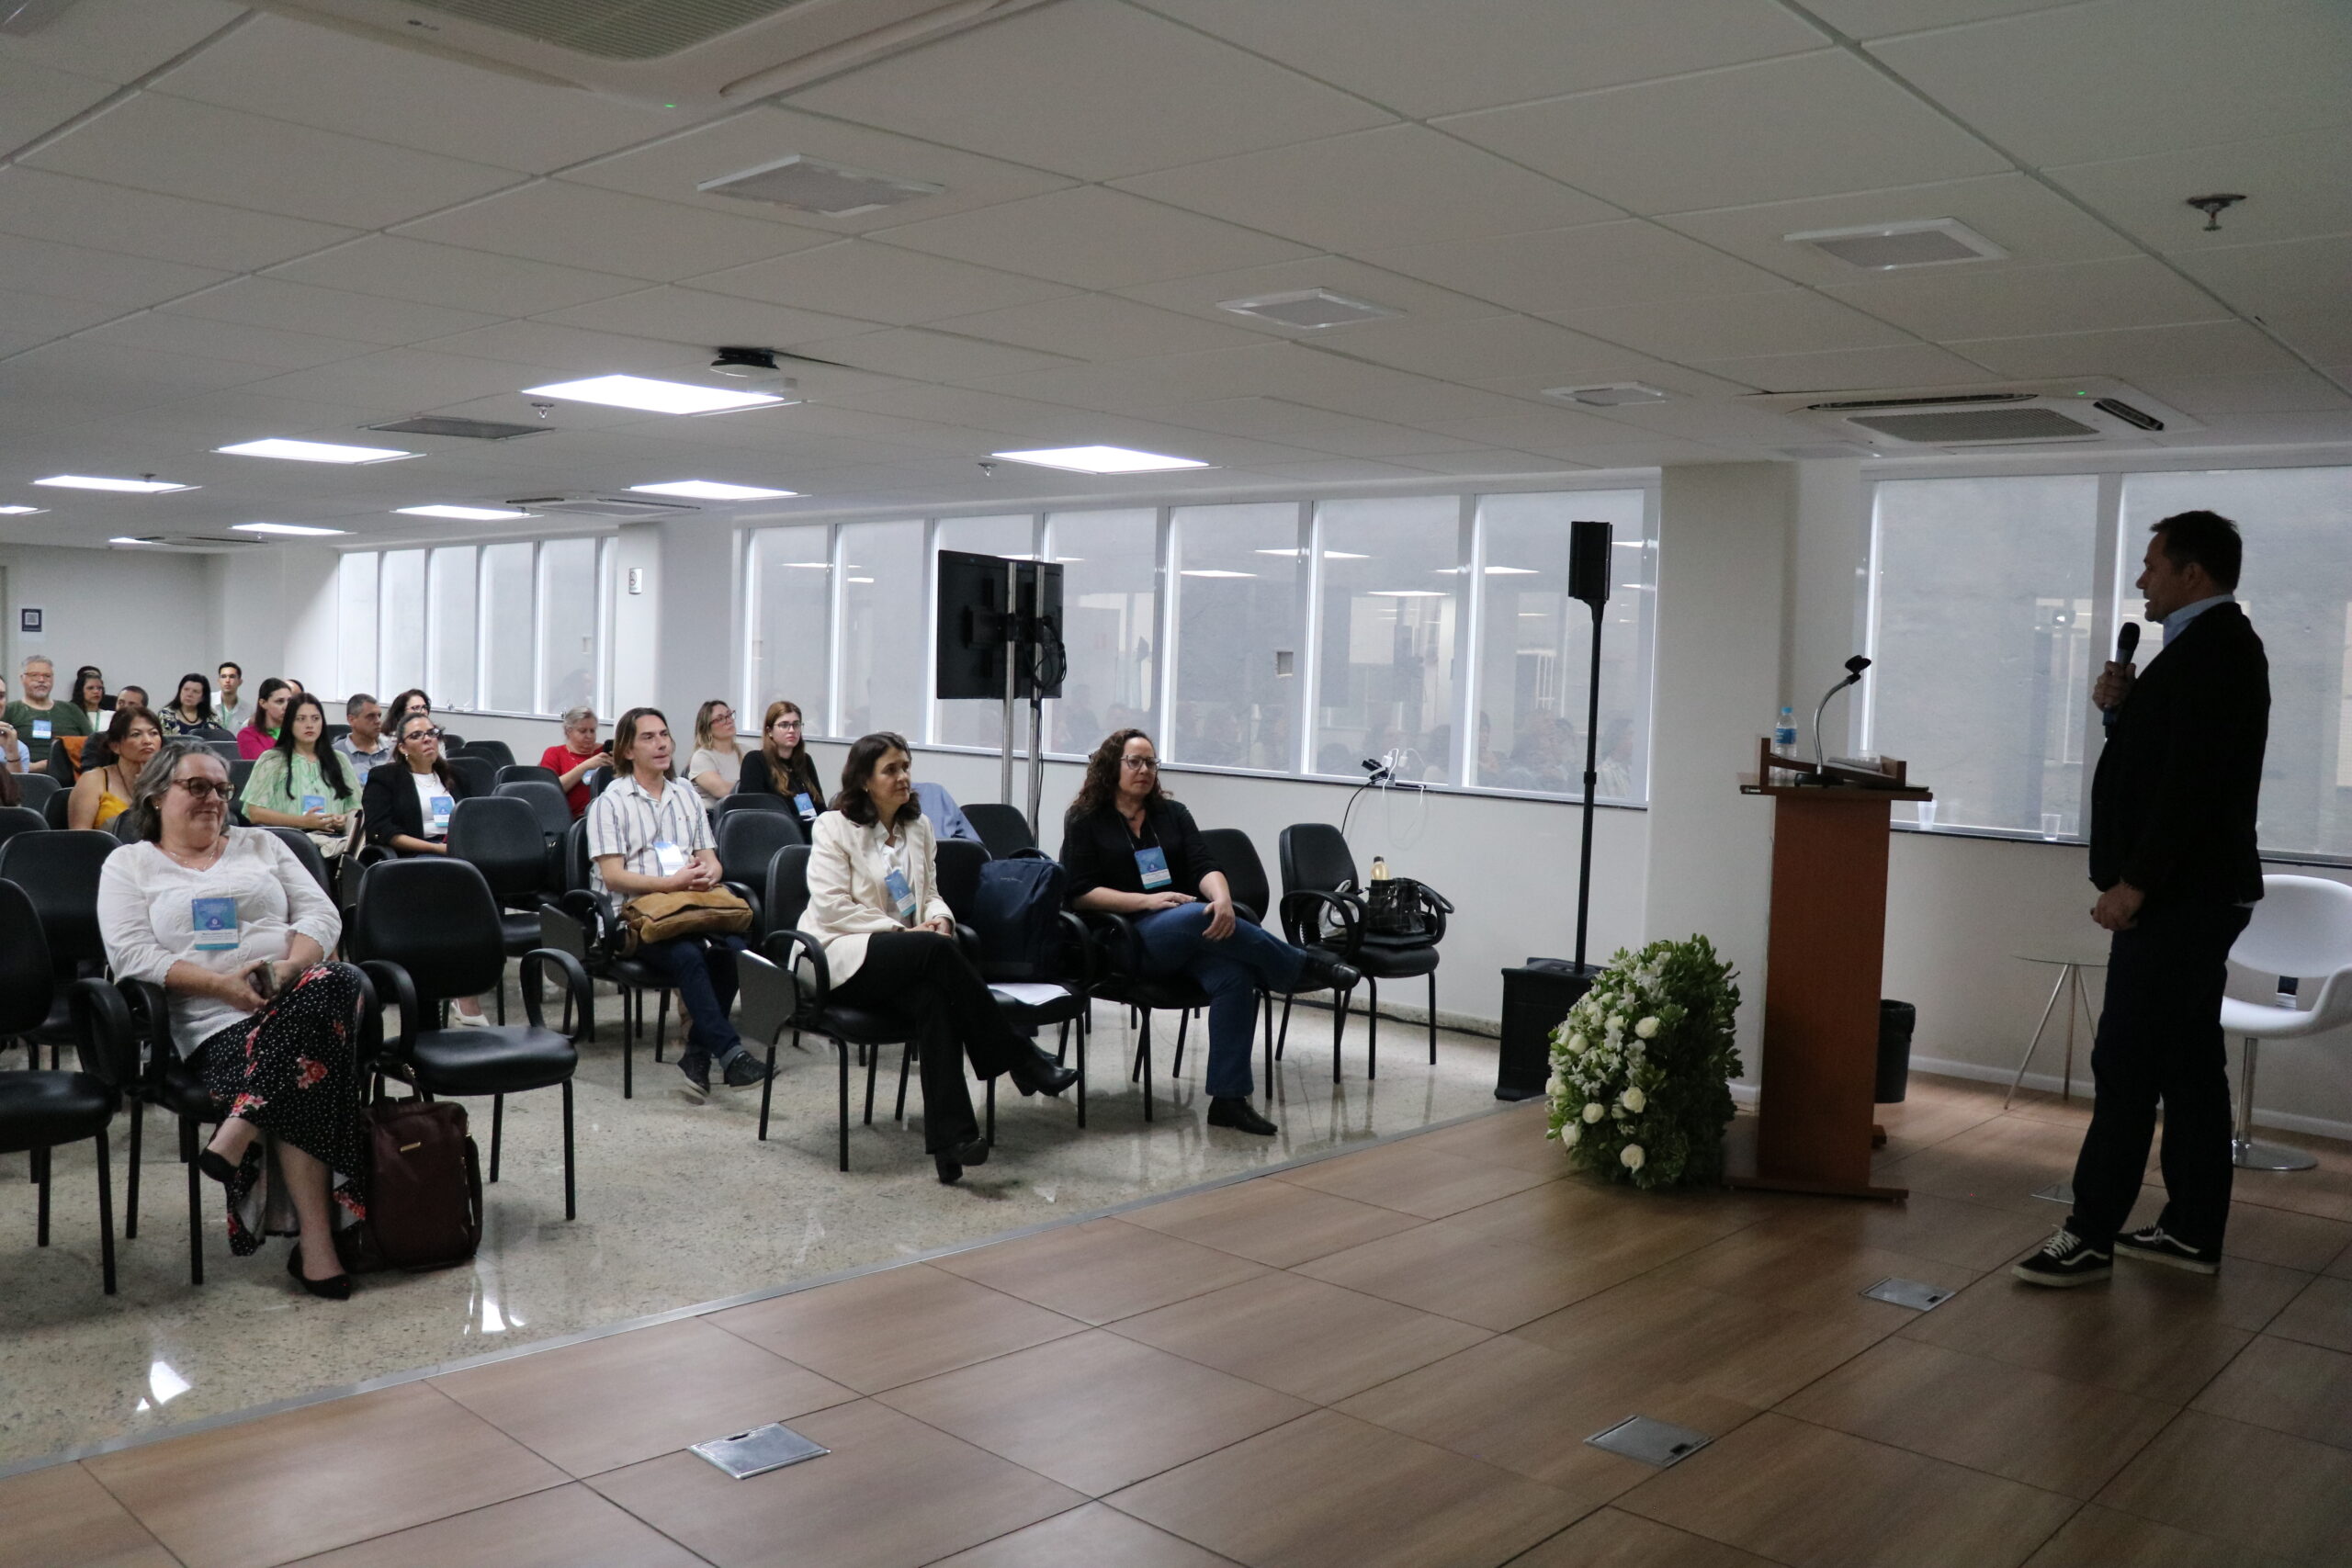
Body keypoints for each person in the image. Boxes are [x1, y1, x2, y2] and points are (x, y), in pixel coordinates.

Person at [2017, 511, 2270, 1287]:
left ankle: (2089, 1232)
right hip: (2192, 894)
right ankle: (2193, 1229)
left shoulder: (2220, 649)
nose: (2140, 580)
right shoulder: (2198, 648)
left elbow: (2192, 789)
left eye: (2152, 566)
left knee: (2124, 1059)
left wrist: (2137, 882)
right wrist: (2117, 711)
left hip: (2179, 897)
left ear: (2192, 573)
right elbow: (2165, 760)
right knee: (2190, 1063)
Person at [95, 741, 368, 1298]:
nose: (213, 800)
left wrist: (288, 971)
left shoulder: (261, 844)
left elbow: (320, 913)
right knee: (312, 1051)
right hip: (212, 1024)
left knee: (336, 980)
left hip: (295, 994)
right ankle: (318, 1247)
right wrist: (223, 986)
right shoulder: (129, 863)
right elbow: (130, 954)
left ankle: (242, 1124)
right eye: (197, 787)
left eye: (222, 789)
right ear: (156, 793)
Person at [801, 733, 1077, 1182]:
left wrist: (941, 922)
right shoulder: (833, 826)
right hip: (842, 955)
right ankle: (1018, 1055)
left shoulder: (920, 827)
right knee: (932, 951)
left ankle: (954, 1142)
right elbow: (832, 907)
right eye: (891, 769)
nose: (903, 777)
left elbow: (931, 896)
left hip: (913, 956)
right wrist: (904, 932)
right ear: (864, 780)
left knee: (935, 1000)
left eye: (906, 767)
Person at [1062, 728, 1357, 1137]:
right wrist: (1148, 902)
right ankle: (1302, 965)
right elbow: (1079, 894)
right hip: (1121, 938)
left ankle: (1228, 1101)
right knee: (1196, 916)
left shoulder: (1172, 813)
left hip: (1183, 931)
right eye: (1134, 761)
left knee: (1235, 977)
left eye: (1151, 762)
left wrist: (1220, 898)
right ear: (1112, 766)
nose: (1144, 770)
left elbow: (1204, 865)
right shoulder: (1086, 819)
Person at [586, 707, 765, 1096]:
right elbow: (614, 876)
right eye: (648, 737)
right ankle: (730, 1051)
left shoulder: (685, 794)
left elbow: (711, 859)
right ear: (628, 750)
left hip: (689, 907)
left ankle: (697, 1051)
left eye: (664, 734)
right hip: (634, 919)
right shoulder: (610, 802)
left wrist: (707, 875)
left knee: (735, 947)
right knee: (687, 955)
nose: (662, 743)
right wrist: (671, 884)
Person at [361, 711, 487, 1023]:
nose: (428, 738)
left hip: (454, 858)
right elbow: (381, 831)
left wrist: (457, 849)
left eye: (431, 732)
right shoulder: (386, 778)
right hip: (410, 861)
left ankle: (464, 990)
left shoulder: (456, 777)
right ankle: (459, 994)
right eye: (417, 735)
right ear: (402, 747)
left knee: (472, 884)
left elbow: (472, 821)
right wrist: (436, 848)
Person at [241, 693, 359, 859]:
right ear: (289, 723)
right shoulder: (273, 759)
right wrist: (302, 822)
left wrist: (344, 818)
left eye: (315, 719)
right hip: (288, 843)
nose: (309, 725)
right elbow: (254, 812)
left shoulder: (339, 760)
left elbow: (356, 808)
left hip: (335, 843)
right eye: (301, 719)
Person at [68, 705, 162, 831]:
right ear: (115, 746)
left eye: (154, 733)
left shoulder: (171, 782)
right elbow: (79, 839)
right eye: (136, 734)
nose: (148, 740)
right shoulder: (92, 781)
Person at [737, 700, 825, 826]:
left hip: (811, 833)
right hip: (777, 833)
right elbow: (755, 813)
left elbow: (820, 806)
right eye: (784, 725)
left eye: (796, 725)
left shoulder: (805, 761)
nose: (791, 730)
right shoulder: (755, 760)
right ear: (769, 731)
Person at [5, 655, 90, 767]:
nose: (41, 680)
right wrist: (31, 767)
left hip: (71, 776)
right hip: (24, 777)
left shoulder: (72, 709)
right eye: (34, 675)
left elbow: (92, 745)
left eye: (47, 676)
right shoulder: (9, 710)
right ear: (22, 678)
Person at [539, 706, 611, 818]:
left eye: (592, 731)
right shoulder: (555, 753)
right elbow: (549, 791)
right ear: (568, 731)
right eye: (583, 731)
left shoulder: (603, 752)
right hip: (570, 819)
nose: (589, 736)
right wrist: (585, 767)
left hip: (604, 814)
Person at [685, 700, 746, 803]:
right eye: (720, 719)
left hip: (747, 811)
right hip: (715, 816)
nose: (729, 720)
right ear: (707, 728)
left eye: (729, 715)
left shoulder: (747, 751)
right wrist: (755, 789)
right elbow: (722, 791)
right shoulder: (702, 757)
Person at [333, 693, 395, 785]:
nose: (378, 721)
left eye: (379, 716)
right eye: (371, 716)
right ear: (351, 720)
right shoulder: (335, 754)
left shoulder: (392, 751)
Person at [159, 672, 231, 741]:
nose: (189, 694)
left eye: (195, 691)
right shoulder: (166, 715)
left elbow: (220, 744)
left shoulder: (212, 718)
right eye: (186, 689)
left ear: (203, 697)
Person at [237, 677, 292, 761]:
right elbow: (264, 766)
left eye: (290, 701)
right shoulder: (247, 735)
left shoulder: (296, 733)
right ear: (263, 703)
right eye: (280, 701)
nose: (287, 707)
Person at [216, 661, 248, 735]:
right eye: (223, 676)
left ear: (240, 681)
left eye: (232, 676)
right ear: (218, 681)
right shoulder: (208, 701)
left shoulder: (247, 709)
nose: (227, 681)